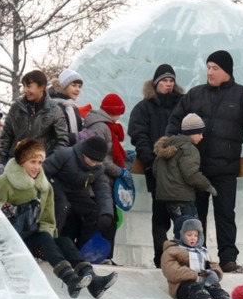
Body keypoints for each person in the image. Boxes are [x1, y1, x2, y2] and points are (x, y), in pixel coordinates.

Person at [166, 50, 243, 273]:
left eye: (215, 68)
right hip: (195, 169)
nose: (210, 72)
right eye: (208, 67)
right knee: (195, 215)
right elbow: (174, 123)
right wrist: (172, 148)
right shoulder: (195, 95)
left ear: (227, 71)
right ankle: (197, 256)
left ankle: (228, 259)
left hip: (225, 169)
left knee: (225, 213)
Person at [0, 138, 116, 298]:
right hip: (12, 239)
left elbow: (48, 220)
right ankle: (70, 279)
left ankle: (93, 281)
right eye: (32, 162)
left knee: (64, 241)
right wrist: (15, 210)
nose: (37, 167)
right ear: (22, 162)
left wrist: (49, 240)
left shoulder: (44, 186)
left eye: (40, 162)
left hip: (33, 237)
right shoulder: (3, 181)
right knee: (44, 237)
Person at [128, 63, 184, 267]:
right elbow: (138, 135)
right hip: (157, 167)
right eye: (164, 81)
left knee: (182, 214)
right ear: (156, 83)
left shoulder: (182, 105)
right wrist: (150, 162)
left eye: (171, 81)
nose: (168, 84)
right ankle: (161, 258)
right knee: (160, 216)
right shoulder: (144, 108)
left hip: (180, 169)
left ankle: (183, 257)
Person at [42, 135, 115, 252]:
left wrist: (107, 213)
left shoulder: (98, 169)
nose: (93, 164)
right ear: (84, 153)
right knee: (63, 206)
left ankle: (82, 249)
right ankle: (50, 246)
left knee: (93, 211)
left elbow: (103, 191)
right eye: (91, 160)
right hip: (55, 186)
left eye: (97, 162)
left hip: (75, 192)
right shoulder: (65, 154)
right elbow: (44, 171)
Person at [153, 113, 217, 238]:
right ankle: (186, 257)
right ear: (191, 133)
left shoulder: (169, 146)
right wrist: (208, 186)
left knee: (179, 230)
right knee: (190, 231)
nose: (202, 137)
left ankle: (173, 255)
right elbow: (191, 174)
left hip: (166, 197)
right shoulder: (189, 149)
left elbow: (156, 170)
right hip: (183, 197)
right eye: (199, 133)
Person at [83, 93, 129, 261]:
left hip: (104, 181)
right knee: (105, 220)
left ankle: (104, 256)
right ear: (113, 111)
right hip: (96, 183)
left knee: (109, 220)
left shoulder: (108, 126)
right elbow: (99, 158)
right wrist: (120, 171)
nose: (120, 117)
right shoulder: (100, 127)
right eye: (119, 112)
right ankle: (99, 257)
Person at [0, 70, 68, 175]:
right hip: (15, 164)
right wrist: (1, 161)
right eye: (24, 86)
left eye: (29, 86)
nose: (25, 90)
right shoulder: (16, 107)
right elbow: (6, 136)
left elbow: (62, 141)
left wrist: (48, 163)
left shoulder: (54, 110)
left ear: (41, 87)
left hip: (40, 167)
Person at [160, 218, 231, 299]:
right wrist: (195, 275)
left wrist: (215, 273)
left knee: (217, 290)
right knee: (197, 292)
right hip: (183, 284)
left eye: (195, 235)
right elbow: (172, 271)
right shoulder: (173, 251)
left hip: (204, 281)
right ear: (182, 235)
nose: (193, 238)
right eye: (189, 235)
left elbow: (213, 265)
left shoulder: (202, 251)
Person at [49, 68, 89, 145]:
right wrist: (78, 136)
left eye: (79, 86)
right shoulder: (56, 107)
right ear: (64, 86)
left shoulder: (73, 107)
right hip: (58, 153)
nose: (77, 89)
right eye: (74, 85)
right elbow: (54, 136)